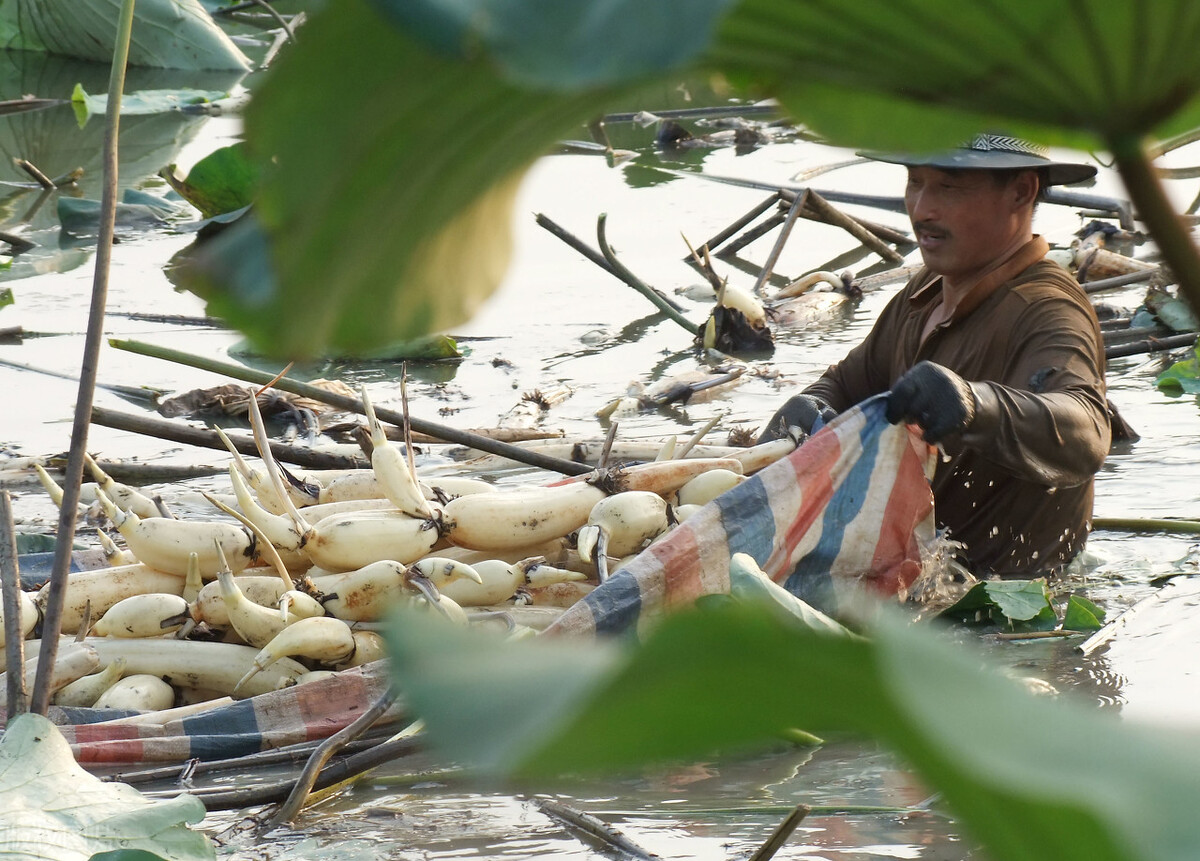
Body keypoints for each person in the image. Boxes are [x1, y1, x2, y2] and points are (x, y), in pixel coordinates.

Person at [759, 134, 1111, 579]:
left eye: (949, 187)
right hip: (909, 585)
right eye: (915, 182)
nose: (921, 209)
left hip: (998, 611)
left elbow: (1088, 432)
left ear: (1021, 191)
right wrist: (809, 407)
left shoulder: (1046, 309)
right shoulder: (924, 292)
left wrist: (974, 404)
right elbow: (846, 385)